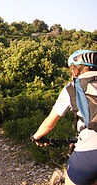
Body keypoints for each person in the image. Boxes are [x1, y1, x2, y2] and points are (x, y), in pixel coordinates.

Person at [32, 50, 97, 185]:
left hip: (89, 153)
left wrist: (36, 136)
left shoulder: (72, 88)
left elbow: (49, 123)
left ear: (75, 71)